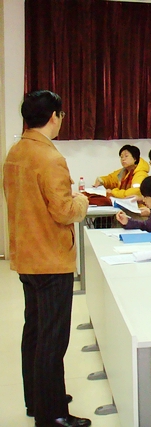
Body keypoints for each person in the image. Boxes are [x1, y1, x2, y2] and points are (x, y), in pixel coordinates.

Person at [3, 90, 91, 427]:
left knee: (35, 332)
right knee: (53, 339)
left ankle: (37, 400)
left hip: (27, 255)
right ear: (54, 116)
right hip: (51, 259)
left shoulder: (16, 152)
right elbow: (64, 211)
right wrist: (81, 200)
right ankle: (52, 415)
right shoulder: (50, 158)